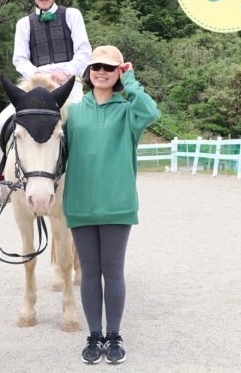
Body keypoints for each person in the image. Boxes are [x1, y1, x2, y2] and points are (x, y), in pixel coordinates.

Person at [62, 45, 160, 365]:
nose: (101, 72)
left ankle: (114, 335)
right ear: (88, 73)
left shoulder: (129, 110)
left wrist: (130, 80)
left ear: (118, 72)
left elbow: (151, 112)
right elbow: (52, 151)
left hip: (118, 204)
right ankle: (94, 336)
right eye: (96, 67)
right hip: (80, 204)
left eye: (109, 67)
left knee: (113, 271)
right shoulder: (73, 112)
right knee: (90, 273)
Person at [0, 0, 91, 204]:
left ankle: (87, 182)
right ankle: (1, 184)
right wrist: (40, 76)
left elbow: (84, 50)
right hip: (34, 83)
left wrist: (67, 72)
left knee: (83, 127)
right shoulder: (23, 23)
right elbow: (19, 59)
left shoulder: (72, 15)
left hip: (67, 84)